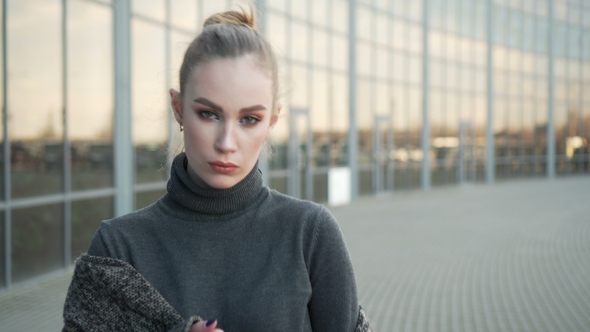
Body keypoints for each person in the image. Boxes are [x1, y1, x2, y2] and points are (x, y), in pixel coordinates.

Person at [63, 8, 372, 332]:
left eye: (249, 119)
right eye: (209, 114)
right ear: (178, 109)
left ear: (272, 122)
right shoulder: (118, 247)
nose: (226, 142)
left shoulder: (310, 233)